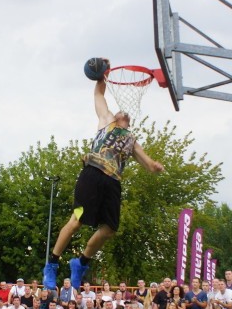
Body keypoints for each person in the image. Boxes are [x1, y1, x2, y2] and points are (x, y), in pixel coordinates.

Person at [42, 58, 164, 290]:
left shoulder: (132, 141)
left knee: (109, 229)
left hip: (112, 183)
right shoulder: (106, 120)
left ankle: (81, 263)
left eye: (126, 113)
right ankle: (52, 264)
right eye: (120, 111)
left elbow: (148, 164)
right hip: (92, 174)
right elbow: (99, 95)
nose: (123, 112)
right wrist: (102, 75)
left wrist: (155, 166)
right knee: (77, 220)